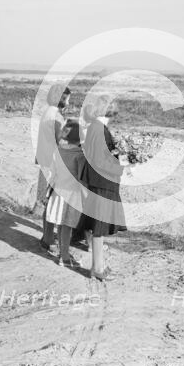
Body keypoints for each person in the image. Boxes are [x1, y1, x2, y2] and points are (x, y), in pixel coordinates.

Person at [79, 95, 131, 281]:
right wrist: (121, 167)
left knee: (98, 227)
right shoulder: (100, 129)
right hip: (102, 183)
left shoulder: (95, 127)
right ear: (111, 111)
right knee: (99, 227)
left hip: (96, 182)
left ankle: (98, 265)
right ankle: (97, 268)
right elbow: (100, 160)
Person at [34, 84, 71, 252]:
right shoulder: (55, 116)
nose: (69, 103)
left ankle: (47, 237)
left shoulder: (47, 112)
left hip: (45, 161)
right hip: (52, 164)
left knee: (48, 201)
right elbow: (60, 141)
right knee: (51, 202)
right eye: (67, 99)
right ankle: (48, 240)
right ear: (61, 98)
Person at [44, 119, 85, 267]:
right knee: (67, 226)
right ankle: (65, 258)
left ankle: (63, 253)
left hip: (58, 192)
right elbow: (82, 178)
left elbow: (52, 174)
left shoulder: (57, 151)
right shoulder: (80, 155)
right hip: (71, 195)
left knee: (61, 225)